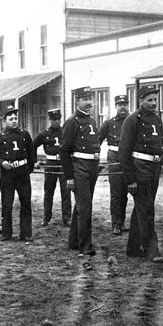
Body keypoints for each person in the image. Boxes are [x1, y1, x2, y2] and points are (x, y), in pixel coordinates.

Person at [119, 84, 163, 264]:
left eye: (155, 100)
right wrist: (130, 179)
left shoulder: (156, 119)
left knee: (142, 208)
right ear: (140, 100)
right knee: (147, 209)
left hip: (154, 168)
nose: (154, 103)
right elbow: (123, 152)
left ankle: (133, 248)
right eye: (150, 100)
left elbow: (160, 144)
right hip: (140, 169)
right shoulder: (132, 120)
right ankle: (151, 250)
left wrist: (162, 162)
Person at [60, 87, 100, 260]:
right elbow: (64, 151)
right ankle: (85, 246)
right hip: (79, 167)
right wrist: (69, 176)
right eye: (84, 99)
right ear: (76, 101)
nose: (89, 102)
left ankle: (74, 241)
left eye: (90, 98)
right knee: (85, 207)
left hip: (92, 166)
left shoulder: (92, 121)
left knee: (82, 205)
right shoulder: (72, 122)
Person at [0, 105, 36, 242]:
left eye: (16, 118)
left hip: (22, 173)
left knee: (26, 203)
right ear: (5, 121)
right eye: (11, 119)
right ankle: (6, 233)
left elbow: (31, 153)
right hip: (7, 175)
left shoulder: (24, 134)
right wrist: (2, 163)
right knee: (7, 204)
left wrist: (29, 169)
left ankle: (26, 233)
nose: (14, 121)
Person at [98, 94, 131, 235]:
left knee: (125, 192)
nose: (123, 107)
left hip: (129, 158)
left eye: (125, 104)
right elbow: (97, 140)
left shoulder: (132, 121)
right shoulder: (109, 123)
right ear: (115, 106)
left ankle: (122, 222)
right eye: (120, 104)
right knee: (116, 192)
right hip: (114, 157)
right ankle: (115, 224)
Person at [34, 108, 71, 227]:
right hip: (50, 163)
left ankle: (67, 218)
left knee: (66, 191)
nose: (56, 121)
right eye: (54, 119)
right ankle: (46, 217)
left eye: (58, 119)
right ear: (50, 120)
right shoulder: (44, 133)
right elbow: (32, 145)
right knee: (49, 191)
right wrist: (34, 161)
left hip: (63, 164)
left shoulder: (65, 132)